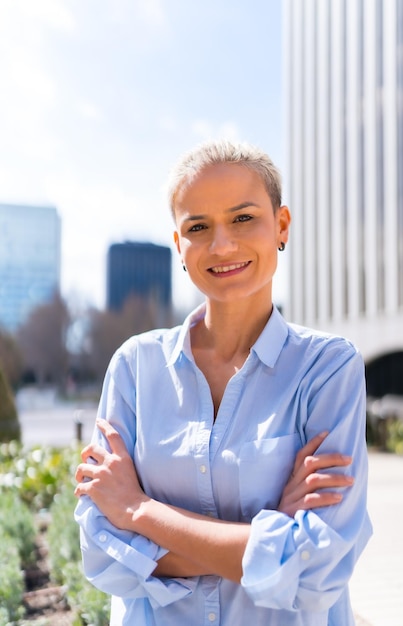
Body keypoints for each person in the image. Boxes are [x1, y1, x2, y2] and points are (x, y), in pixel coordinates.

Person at [74, 139, 372, 626]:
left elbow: (318, 571)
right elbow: (103, 554)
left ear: (281, 225)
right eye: (198, 227)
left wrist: (139, 510)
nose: (222, 245)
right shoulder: (134, 366)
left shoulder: (328, 369)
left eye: (242, 217)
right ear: (179, 246)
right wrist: (269, 532)